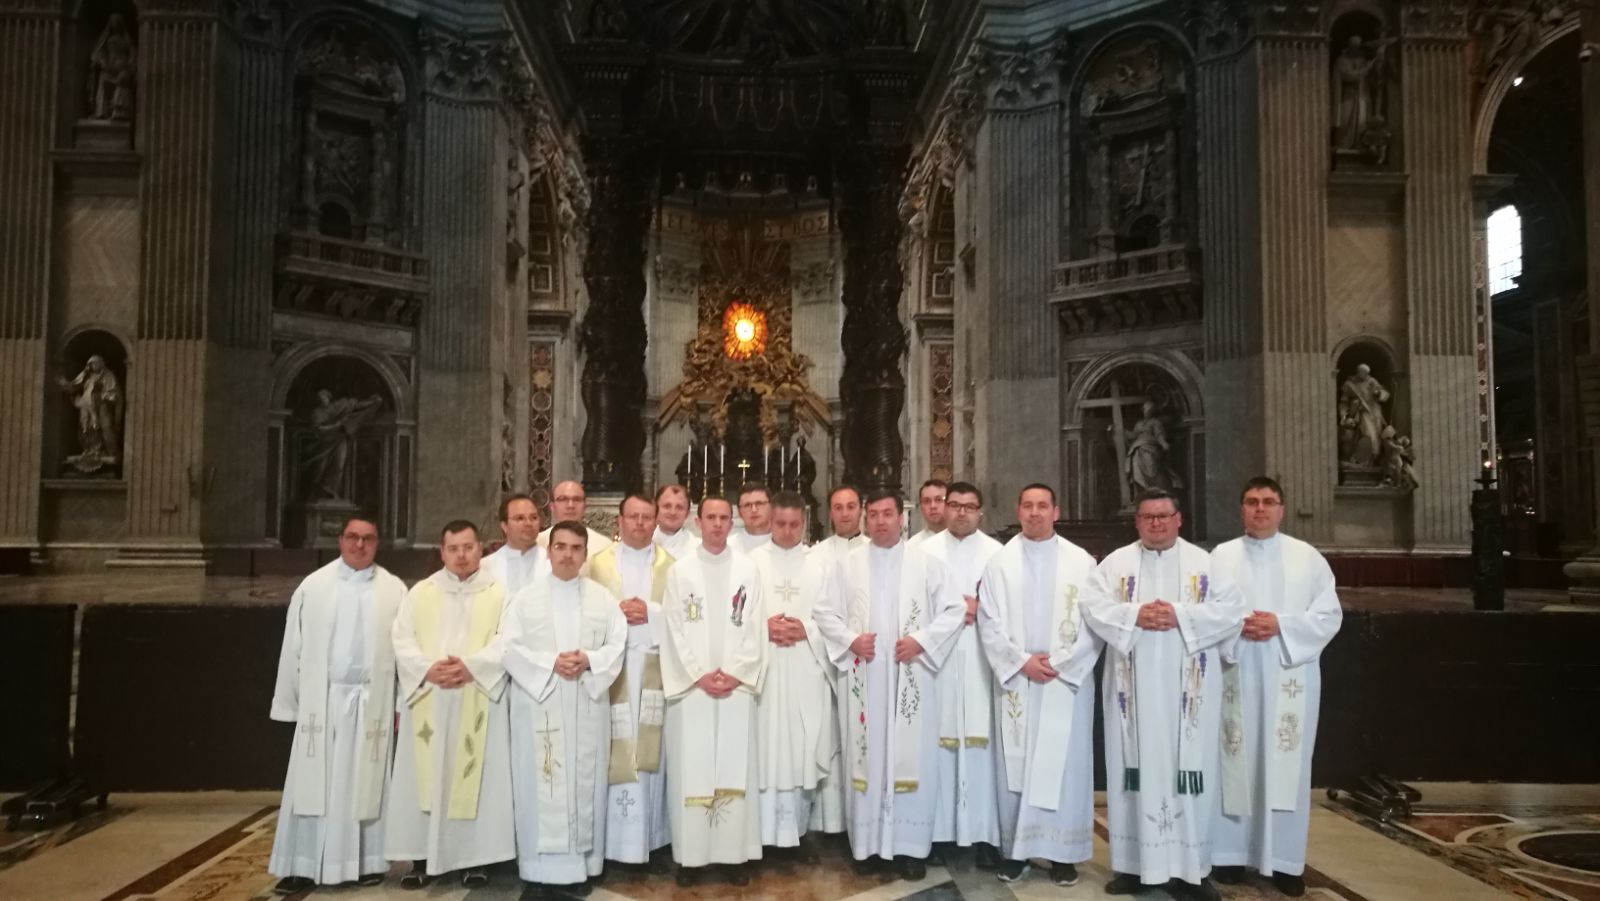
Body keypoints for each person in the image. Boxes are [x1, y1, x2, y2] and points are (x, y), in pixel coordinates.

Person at [1085, 490, 1244, 900]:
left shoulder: (1206, 564)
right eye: (1147, 517)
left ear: (1179, 519)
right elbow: (1092, 606)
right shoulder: (1115, 564)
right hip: (1132, 693)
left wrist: (1179, 614)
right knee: (1132, 772)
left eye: (1163, 516)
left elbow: (1232, 611)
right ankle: (1132, 867)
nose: (1156, 523)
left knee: (1191, 773)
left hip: (1189, 697)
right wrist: (1135, 614)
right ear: (1137, 522)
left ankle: (1194, 871)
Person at [814, 490, 965, 880]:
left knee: (911, 757)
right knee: (866, 756)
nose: (880, 521)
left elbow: (954, 610)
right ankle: (866, 846)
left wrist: (922, 641)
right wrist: (851, 640)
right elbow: (824, 612)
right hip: (865, 677)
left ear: (902, 518)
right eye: (874, 514)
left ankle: (910, 849)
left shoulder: (926, 564)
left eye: (888, 514)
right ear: (867, 519)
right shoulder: (847, 565)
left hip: (910, 675)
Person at [1210, 478, 1343, 898]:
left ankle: (1284, 861)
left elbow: (1328, 615)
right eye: (1252, 502)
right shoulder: (1221, 557)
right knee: (1233, 758)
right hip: (1236, 669)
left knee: (1287, 763)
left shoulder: (1308, 558)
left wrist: (1280, 624)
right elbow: (1204, 611)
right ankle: (1229, 854)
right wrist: (1237, 625)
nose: (1260, 509)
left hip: (1289, 673)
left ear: (1282, 509)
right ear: (1242, 509)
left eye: (1268, 502)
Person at [269, 513, 407, 894]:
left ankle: (366, 861)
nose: (359, 545)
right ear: (340, 540)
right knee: (312, 786)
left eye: (368, 539)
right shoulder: (314, 587)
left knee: (365, 785)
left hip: (371, 702)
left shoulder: (394, 590)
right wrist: (292, 702)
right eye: (352, 537)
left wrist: (400, 703)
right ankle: (301, 864)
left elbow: (404, 652)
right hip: (324, 701)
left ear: (377, 543)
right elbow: (293, 647)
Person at [976, 485, 1103, 887]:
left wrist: (1062, 663)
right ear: (1018, 511)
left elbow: (1094, 623)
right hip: (1019, 679)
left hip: (1064, 681)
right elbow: (988, 622)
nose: (1035, 513)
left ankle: (1063, 854)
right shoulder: (1000, 563)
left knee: (1065, 767)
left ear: (1056, 512)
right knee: (1016, 769)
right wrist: (1021, 662)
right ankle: (1016, 852)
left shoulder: (1081, 562)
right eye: (1028, 506)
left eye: (1042, 506)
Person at [501, 521, 629, 898]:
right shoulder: (524, 599)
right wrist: (549, 663)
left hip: (586, 702)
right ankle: (537, 869)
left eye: (576, 548)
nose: (568, 555)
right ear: (549, 551)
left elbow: (617, 644)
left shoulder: (602, 599)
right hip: (540, 703)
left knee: (584, 780)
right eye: (561, 547)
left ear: (585, 554)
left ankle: (583, 866)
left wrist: (589, 659)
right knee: (540, 783)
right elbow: (508, 647)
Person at [386, 520, 516, 889]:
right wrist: (427, 669)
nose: (461, 555)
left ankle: (473, 860)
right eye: (453, 549)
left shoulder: (499, 593)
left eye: (468, 547)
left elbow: (507, 640)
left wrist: (472, 666)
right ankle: (420, 859)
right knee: (424, 780)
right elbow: (402, 639)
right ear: (442, 552)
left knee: (476, 781)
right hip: (430, 697)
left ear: (480, 549)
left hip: (476, 696)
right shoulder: (421, 592)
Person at [659, 497, 768, 886]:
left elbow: (756, 626)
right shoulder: (681, 572)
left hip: (735, 688)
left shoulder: (748, 571)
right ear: (697, 521)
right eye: (711, 517)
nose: (718, 524)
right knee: (693, 766)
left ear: (731, 522)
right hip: (693, 690)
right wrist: (697, 675)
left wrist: (736, 674)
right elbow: (672, 629)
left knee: (734, 765)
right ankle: (691, 859)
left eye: (724, 518)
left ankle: (733, 857)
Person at [586, 494, 674, 871]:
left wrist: (650, 612)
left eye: (646, 517)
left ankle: (653, 840)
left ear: (655, 522)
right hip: (613, 669)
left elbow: (683, 619)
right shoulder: (597, 564)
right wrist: (614, 613)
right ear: (618, 522)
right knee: (613, 750)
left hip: (654, 668)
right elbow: (586, 610)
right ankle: (612, 843)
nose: (639, 523)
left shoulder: (672, 566)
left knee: (652, 755)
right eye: (633, 517)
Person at [749, 492, 837, 860]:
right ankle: (761, 835)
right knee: (765, 749)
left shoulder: (820, 565)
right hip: (765, 671)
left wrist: (806, 630)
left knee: (801, 748)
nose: (787, 531)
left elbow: (834, 620)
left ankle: (797, 835)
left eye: (794, 525)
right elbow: (736, 617)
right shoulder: (751, 563)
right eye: (781, 524)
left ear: (805, 523)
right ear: (770, 522)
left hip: (805, 668)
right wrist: (762, 627)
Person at [922, 481, 1002, 868]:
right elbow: (914, 605)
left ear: (980, 512)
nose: (960, 513)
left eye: (969, 506)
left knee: (982, 748)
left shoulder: (998, 554)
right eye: (954, 505)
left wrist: (980, 607)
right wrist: (956, 609)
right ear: (944, 508)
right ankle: (938, 835)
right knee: (938, 745)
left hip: (981, 659)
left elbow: (1010, 606)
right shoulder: (923, 553)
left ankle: (984, 835)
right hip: (938, 661)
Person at [484, 494, 551, 596]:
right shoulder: (485, 567)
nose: (528, 523)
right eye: (520, 518)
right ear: (504, 526)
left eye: (534, 518)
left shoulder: (553, 565)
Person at [539, 480, 614, 555]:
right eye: (563, 499)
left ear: (585, 506)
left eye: (577, 499)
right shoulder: (539, 543)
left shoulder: (603, 546)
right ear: (552, 506)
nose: (570, 505)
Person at [813, 486, 867, 568]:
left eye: (851, 507)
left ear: (861, 510)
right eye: (838, 508)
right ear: (830, 513)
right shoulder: (816, 555)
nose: (845, 514)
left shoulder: (875, 552)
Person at [652, 483, 697, 560]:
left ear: (687, 514)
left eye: (679, 507)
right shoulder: (641, 541)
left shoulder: (697, 548)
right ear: (655, 510)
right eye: (667, 506)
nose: (673, 512)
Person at [729, 484, 774, 554]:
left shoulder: (787, 543)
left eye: (759, 503)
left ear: (772, 507)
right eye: (747, 505)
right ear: (739, 512)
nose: (754, 510)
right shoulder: (728, 547)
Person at [906, 479, 948, 549]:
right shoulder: (912, 546)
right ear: (921, 507)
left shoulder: (963, 540)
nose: (933, 506)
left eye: (939, 500)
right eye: (926, 501)